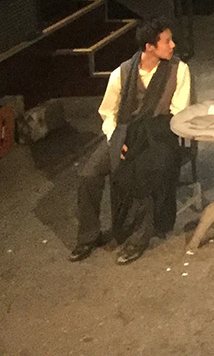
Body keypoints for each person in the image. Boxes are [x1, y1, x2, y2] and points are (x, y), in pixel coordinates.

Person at [70, 18, 191, 264]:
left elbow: (179, 113)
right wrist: (118, 140)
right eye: (167, 41)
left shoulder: (179, 70)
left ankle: (138, 238)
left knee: (144, 173)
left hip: (158, 136)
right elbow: (108, 112)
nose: (173, 45)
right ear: (149, 47)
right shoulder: (122, 73)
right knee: (88, 176)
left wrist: (141, 139)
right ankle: (89, 235)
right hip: (123, 133)